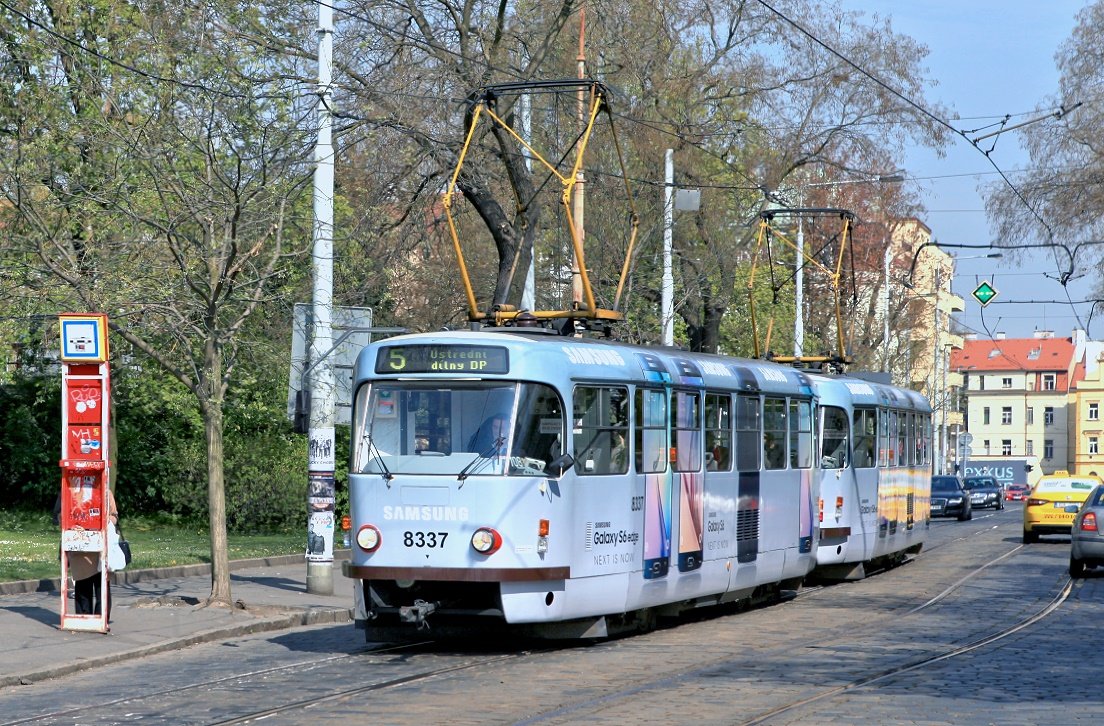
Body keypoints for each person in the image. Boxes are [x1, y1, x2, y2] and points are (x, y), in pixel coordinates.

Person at [56, 485, 119, 619]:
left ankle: (99, 618)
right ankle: (86, 618)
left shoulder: (105, 492)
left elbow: (114, 517)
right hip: (80, 549)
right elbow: (61, 518)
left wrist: (105, 520)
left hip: (100, 551)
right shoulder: (70, 493)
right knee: (83, 587)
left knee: (100, 588)